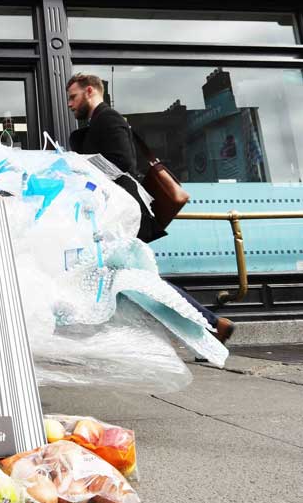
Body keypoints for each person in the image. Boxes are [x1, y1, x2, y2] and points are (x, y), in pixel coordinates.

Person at [65, 72, 235, 344]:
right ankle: (211, 327)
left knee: (137, 281)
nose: (70, 104)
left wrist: (80, 165)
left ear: (89, 92)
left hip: (121, 215)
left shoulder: (108, 118)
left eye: (73, 97)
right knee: (128, 281)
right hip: (113, 215)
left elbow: (122, 162)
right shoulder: (98, 122)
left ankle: (211, 325)